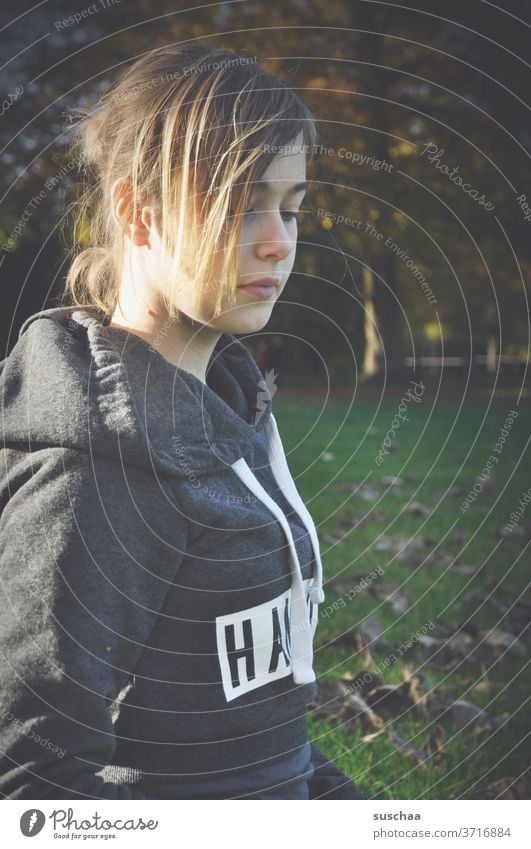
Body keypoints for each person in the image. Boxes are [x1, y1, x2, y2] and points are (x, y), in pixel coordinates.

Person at [0, 43, 366, 800]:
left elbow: (258, 733)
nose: (278, 240)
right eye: (241, 203)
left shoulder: (229, 409)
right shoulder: (94, 469)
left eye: (291, 207)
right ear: (139, 210)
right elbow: (28, 777)